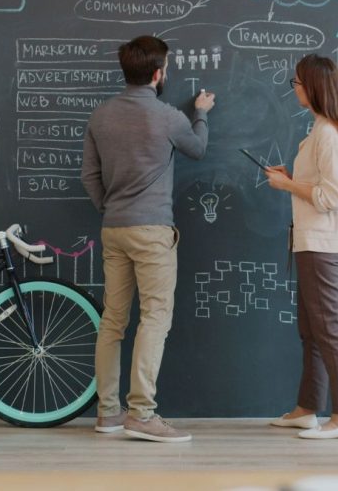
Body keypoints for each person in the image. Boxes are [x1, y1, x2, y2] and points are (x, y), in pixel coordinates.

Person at [81, 35, 215, 443]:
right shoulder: (169, 116)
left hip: (114, 228)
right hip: (152, 229)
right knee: (155, 317)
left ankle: (108, 413)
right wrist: (202, 113)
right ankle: (142, 412)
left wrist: (111, 207)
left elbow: (89, 175)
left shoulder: (100, 116)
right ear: (158, 74)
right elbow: (198, 149)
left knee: (113, 320)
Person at [264, 54, 338, 439]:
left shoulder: (328, 132)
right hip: (317, 241)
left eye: (295, 83)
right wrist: (294, 178)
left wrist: (287, 185)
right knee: (312, 329)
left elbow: (332, 197)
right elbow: (327, 188)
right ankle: (306, 408)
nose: (293, 88)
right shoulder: (325, 129)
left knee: (328, 328)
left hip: (323, 244)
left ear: (311, 87)